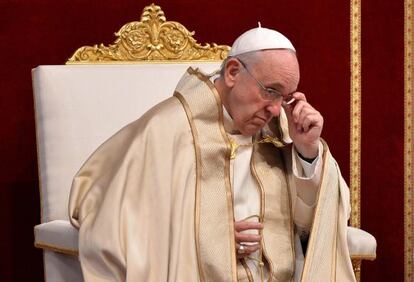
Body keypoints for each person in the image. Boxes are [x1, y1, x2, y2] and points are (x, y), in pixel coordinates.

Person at [69, 25, 356, 281]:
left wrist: (307, 152)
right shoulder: (168, 128)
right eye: (270, 91)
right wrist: (205, 240)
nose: (276, 109)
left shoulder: (280, 129)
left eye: (286, 97)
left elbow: (313, 224)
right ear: (232, 72)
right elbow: (108, 215)